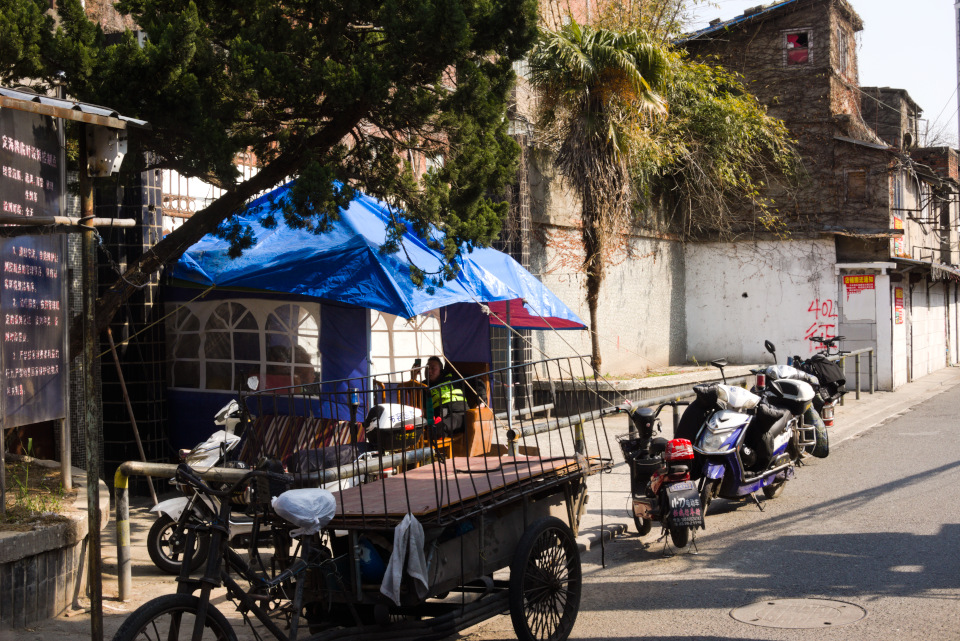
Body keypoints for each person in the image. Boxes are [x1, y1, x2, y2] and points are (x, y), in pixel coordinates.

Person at [426, 356, 467, 438]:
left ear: (440, 369)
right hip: (440, 418)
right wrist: (413, 377)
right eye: (427, 369)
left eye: (433, 368)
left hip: (459, 415)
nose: (429, 371)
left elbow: (477, 381)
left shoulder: (453, 376)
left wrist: (482, 402)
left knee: (438, 429)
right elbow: (414, 396)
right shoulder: (425, 386)